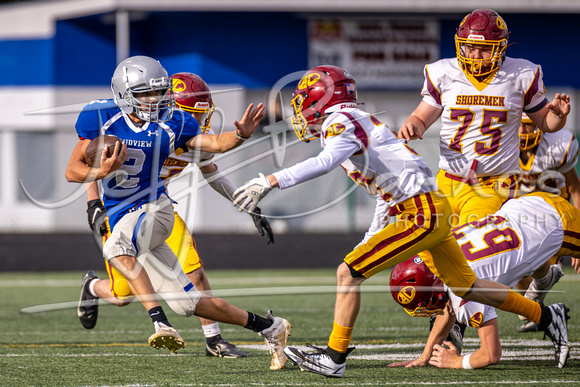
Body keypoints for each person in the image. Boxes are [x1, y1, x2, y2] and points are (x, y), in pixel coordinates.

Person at [231, 65, 569, 377]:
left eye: (305, 101)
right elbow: (385, 195)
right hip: (430, 208)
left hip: (421, 212)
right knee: (468, 286)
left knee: (347, 273)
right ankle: (546, 315)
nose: (301, 110)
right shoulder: (355, 120)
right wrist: (370, 239)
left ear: (323, 99)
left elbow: (326, 161)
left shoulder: (339, 122)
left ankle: (334, 358)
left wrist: (270, 181)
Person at [66, 56, 291, 371]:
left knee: (141, 256)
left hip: (155, 208)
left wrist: (240, 142)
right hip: (119, 212)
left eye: (160, 93)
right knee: (153, 298)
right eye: (147, 93)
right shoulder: (103, 119)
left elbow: (212, 156)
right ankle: (269, 327)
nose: (155, 100)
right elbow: (77, 167)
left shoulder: (175, 126)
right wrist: (96, 189)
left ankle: (180, 329)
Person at [398, 9, 571, 227]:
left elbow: (546, 123)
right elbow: (420, 118)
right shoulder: (444, 72)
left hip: (493, 184)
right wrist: (412, 125)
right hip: (448, 181)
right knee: (428, 243)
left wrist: (557, 115)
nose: (475, 56)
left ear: (501, 47)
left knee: (469, 243)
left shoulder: (520, 75)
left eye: (484, 50)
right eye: (469, 48)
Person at [389, 191, 577, 369]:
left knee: (527, 255)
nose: (428, 307)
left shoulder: (466, 294)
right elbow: (448, 308)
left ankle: (544, 291)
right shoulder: (441, 251)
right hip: (527, 204)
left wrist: (456, 361)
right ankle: (544, 281)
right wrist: (425, 356)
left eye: (426, 301)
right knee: (526, 258)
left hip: (556, 223)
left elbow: (491, 354)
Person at [515, 112, 580, 331]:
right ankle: (541, 314)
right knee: (517, 273)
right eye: (520, 126)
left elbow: (575, 188)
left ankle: (540, 313)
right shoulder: (502, 148)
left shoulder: (556, 146)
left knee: (541, 270)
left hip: (555, 218)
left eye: (529, 126)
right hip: (524, 216)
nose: (524, 132)